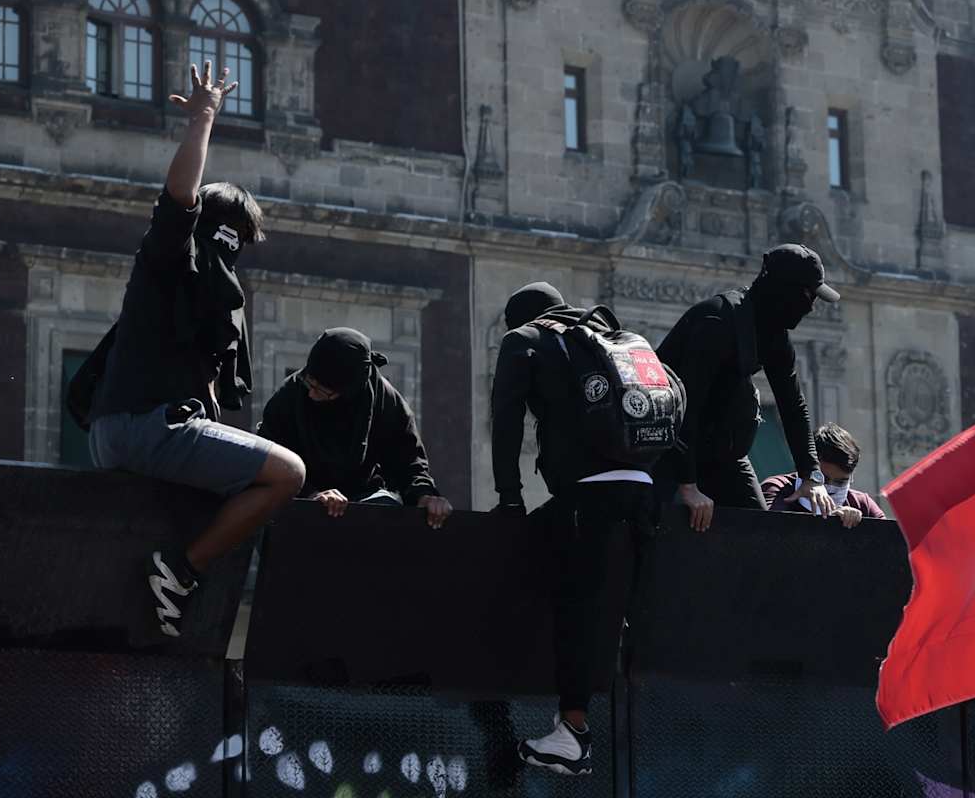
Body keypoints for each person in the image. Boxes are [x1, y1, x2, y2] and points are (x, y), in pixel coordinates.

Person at [83, 62, 306, 639]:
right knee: (287, 473)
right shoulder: (171, 259)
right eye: (238, 242)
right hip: (144, 427)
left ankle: (178, 580)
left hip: (127, 429)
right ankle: (182, 568)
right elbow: (179, 198)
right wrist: (203, 117)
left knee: (238, 480)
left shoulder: (212, 305)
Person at [491, 282, 680, 777]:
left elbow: (506, 419)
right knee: (629, 611)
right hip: (644, 490)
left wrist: (509, 497)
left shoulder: (525, 339)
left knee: (573, 606)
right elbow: (672, 402)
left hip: (589, 494)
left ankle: (571, 731)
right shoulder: (610, 335)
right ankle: (648, 726)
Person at [656, 244, 840, 528]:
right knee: (655, 532)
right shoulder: (717, 321)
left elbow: (793, 406)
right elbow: (685, 410)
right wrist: (688, 485)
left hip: (723, 452)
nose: (812, 307)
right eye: (808, 296)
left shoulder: (774, 334)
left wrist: (811, 477)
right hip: (670, 449)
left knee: (757, 533)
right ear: (785, 292)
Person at [256, 328, 451, 527]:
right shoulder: (289, 397)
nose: (311, 395)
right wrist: (311, 494)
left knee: (386, 516)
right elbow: (268, 463)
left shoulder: (385, 400)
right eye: (310, 383)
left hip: (365, 494)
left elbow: (409, 461)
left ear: (348, 391)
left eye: (321, 390)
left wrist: (425, 495)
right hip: (300, 495)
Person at [761, 423, 885, 529]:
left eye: (840, 482)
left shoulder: (862, 504)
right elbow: (771, 534)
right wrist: (828, 523)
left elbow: (891, 544)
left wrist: (859, 527)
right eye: (822, 479)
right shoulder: (777, 489)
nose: (830, 488)